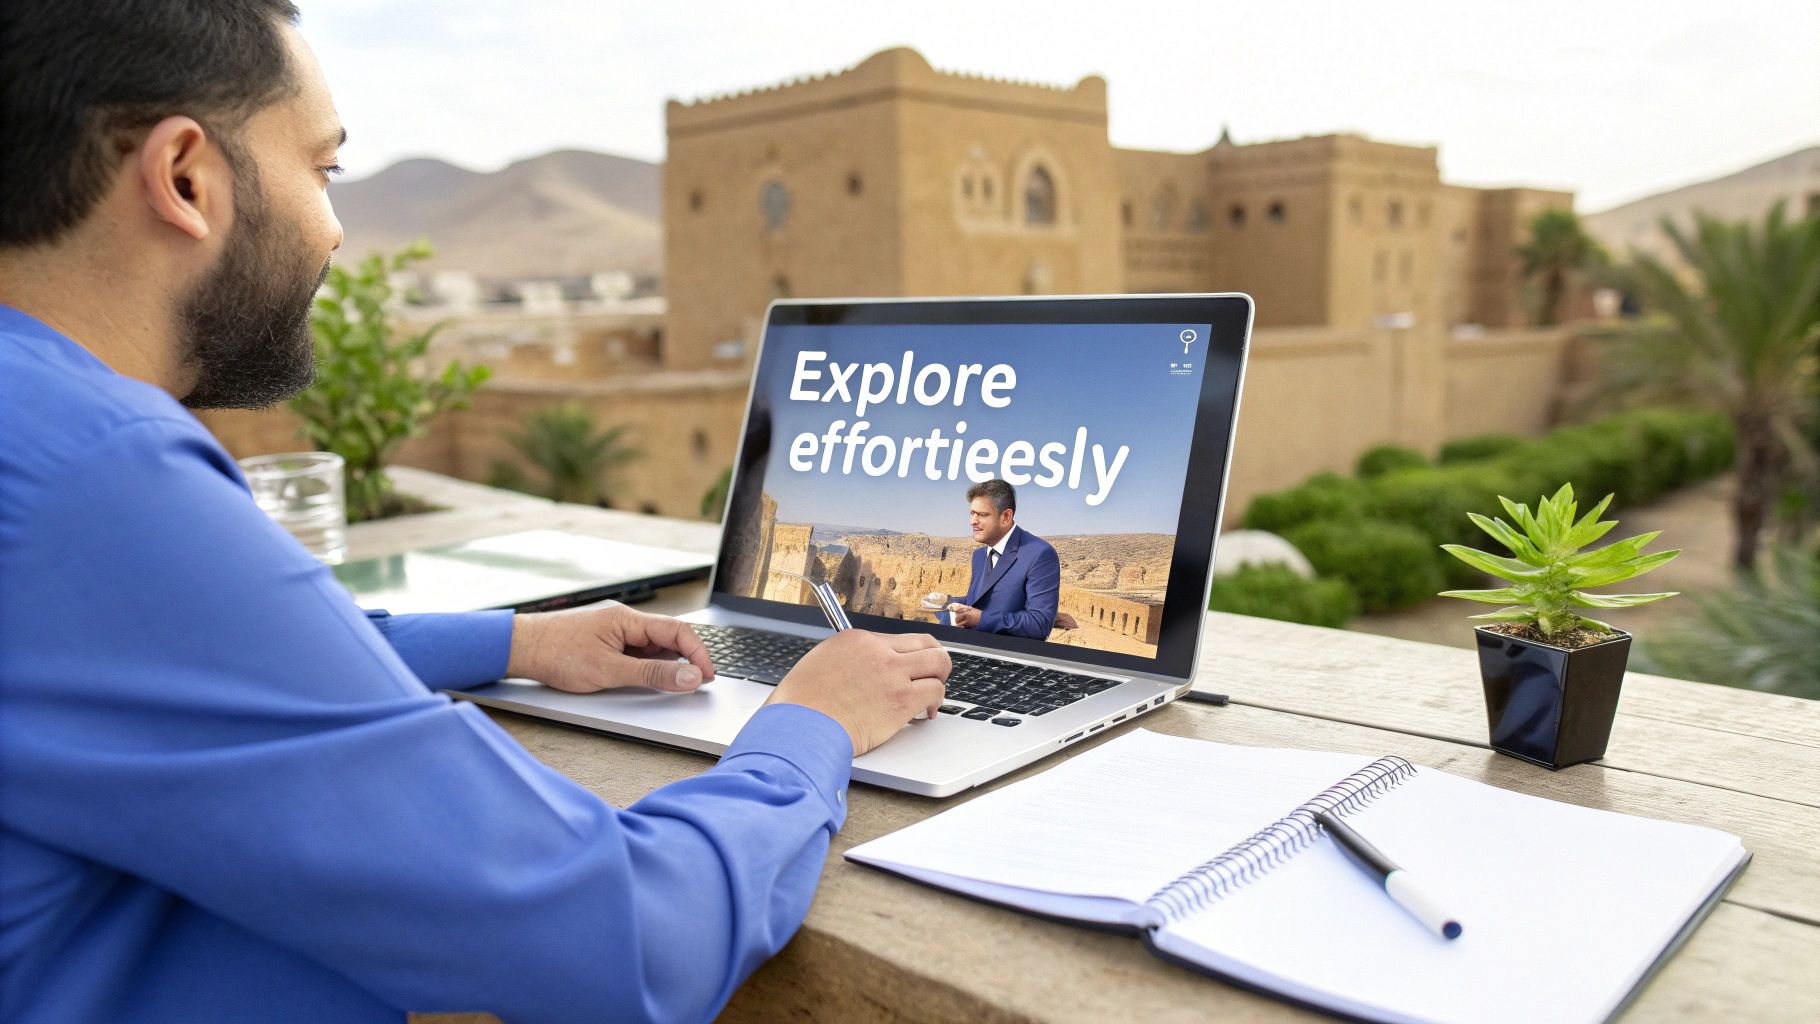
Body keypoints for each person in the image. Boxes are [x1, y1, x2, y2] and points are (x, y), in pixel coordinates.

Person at [0, 4, 949, 1022]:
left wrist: (516, 640)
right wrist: (808, 728)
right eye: (324, 171)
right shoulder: (94, 475)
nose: (334, 228)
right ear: (187, 177)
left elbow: (164, 659)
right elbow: (621, 938)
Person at [943, 479, 1060, 639]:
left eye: (982, 515)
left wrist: (981, 619)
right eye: (972, 513)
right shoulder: (979, 556)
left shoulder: (1040, 554)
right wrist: (946, 601)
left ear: (1005, 516)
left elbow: (1039, 623)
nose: (972, 521)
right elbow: (981, 601)